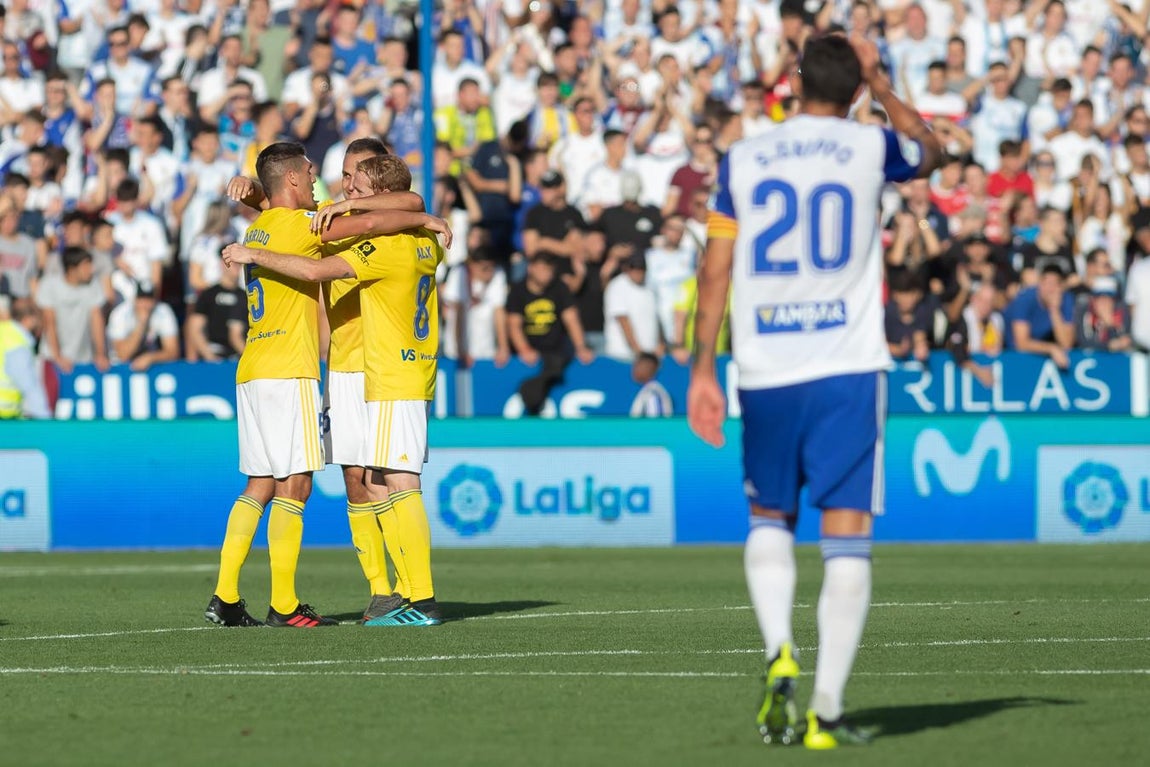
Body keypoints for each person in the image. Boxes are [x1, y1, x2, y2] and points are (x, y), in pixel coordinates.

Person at [687, 35, 941, 750]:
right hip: (847, 367)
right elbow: (929, 150)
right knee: (848, 536)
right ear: (856, 87)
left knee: (769, 515)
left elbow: (715, 267)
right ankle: (827, 709)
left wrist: (703, 365)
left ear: (794, 82)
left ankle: (778, 649)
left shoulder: (745, 157)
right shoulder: (867, 147)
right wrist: (885, 85)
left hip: (766, 368)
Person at [206, 142, 445, 629]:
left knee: (350, 479)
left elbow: (381, 216)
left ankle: (406, 595)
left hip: (344, 365)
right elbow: (302, 214)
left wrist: (257, 207)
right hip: (333, 366)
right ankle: (370, 594)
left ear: (379, 183)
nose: (338, 186)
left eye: (354, 178)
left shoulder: (336, 228)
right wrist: (257, 191)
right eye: (334, 175)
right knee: (352, 481)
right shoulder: (318, 225)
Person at [1004, 263, 1076, 368]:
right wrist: (1051, 349)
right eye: (1046, 283)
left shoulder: (1066, 300)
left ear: (1061, 287)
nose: (1050, 289)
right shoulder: (1024, 299)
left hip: (1039, 348)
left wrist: (1054, 310)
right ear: (1039, 284)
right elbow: (1021, 343)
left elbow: (1066, 344)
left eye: (1055, 284)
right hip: (1010, 349)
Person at [106, 282, 180, 372]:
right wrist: (141, 325)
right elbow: (122, 355)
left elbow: (173, 352)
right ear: (135, 300)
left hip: (150, 362)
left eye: (149, 300)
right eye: (142, 299)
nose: (145, 305)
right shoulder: (120, 314)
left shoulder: (163, 312)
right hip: (119, 366)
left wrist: (150, 358)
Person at [0, 296, 49, 419]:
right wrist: (45, 421)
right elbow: (29, 385)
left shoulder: (5, 332)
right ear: (28, 320)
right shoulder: (17, 344)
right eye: (38, 319)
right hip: (5, 417)